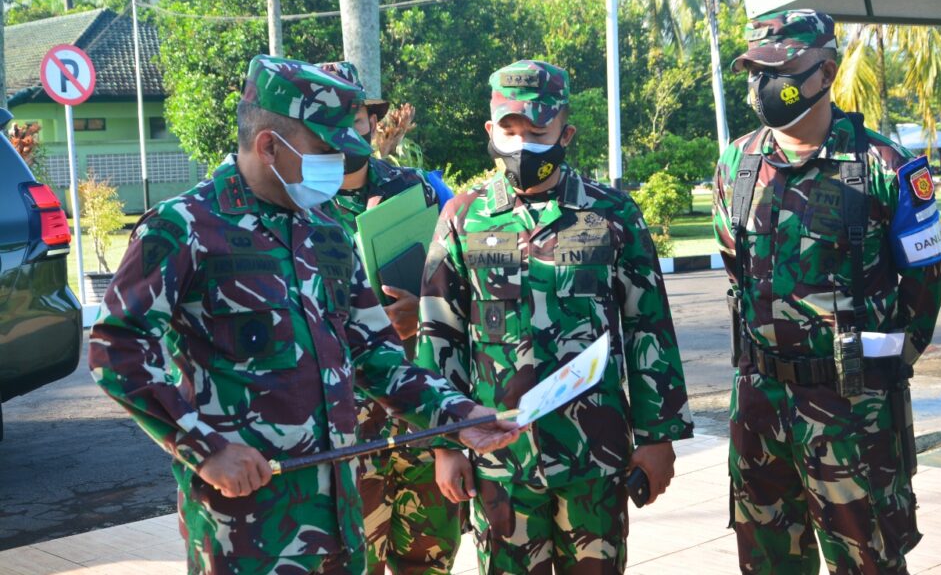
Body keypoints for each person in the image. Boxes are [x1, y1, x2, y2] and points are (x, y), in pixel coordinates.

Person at [88, 55, 521, 575]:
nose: (338, 167)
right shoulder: (186, 227)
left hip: (339, 518)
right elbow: (116, 349)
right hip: (246, 530)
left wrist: (457, 417)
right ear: (269, 145)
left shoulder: (326, 231)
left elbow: (374, 354)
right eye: (325, 151)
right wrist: (203, 449)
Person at [417, 59, 694, 574]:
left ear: (565, 132)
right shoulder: (462, 216)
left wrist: (659, 438)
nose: (523, 144)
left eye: (538, 131)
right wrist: (442, 445)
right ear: (490, 131)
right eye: (510, 130)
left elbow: (648, 328)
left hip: (596, 454)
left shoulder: (612, 214)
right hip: (501, 461)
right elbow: (440, 333)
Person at [714, 9, 941, 574]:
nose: (768, 84)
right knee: (768, 565)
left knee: (868, 562)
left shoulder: (884, 166)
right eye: (756, 70)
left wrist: (871, 371)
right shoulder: (736, 162)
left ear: (828, 70)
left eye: (784, 68)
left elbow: (926, 285)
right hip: (759, 410)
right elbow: (735, 271)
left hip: (852, 415)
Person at [316, 60, 461, 575]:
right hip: (346, 422)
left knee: (429, 556)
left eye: (353, 116)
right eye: (327, 118)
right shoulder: (298, 204)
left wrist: (418, 313)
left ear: (372, 122)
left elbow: (459, 288)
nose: (344, 131)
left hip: (421, 407)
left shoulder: (418, 189)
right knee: (357, 558)